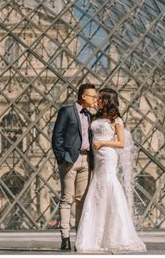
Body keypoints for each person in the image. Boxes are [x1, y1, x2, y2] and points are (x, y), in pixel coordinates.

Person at [75, 88, 146, 253]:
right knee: (97, 187)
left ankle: (114, 235)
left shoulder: (117, 120)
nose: (97, 101)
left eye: (100, 99)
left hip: (107, 155)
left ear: (107, 101)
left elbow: (121, 143)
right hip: (97, 157)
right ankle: (96, 236)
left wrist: (103, 144)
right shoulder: (95, 116)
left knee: (108, 184)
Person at [51, 83, 98, 250]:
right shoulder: (67, 111)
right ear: (83, 96)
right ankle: (65, 237)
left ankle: (81, 236)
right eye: (93, 96)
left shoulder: (90, 115)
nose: (96, 99)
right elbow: (57, 136)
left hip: (86, 160)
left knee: (82, 201)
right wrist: (62, 158)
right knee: (66, 199)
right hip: (70, 160)